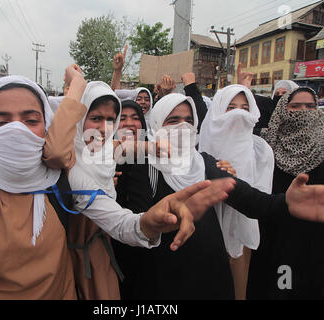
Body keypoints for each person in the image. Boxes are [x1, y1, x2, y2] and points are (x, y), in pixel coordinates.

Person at [0, 69, 235, 300]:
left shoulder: (64, 178)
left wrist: (148, 223)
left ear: (47, 127)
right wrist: (77, 85)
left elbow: (122, 223)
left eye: (30, 119)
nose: (17, 130)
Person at [113, 91, 324, 300]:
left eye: (189, 119)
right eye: (173, 120)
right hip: (161, 281)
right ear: (156, 124)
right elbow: (138, 225)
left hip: (211, 280)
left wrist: (285, 203)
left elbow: (251, 201)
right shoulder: (143, 166)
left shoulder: (204, 163)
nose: (183, 126)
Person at [48, 80, 236, 299]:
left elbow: (120, 147)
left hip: (105, 250)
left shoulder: (102, 151)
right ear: (79, 121)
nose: (103, 128)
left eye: (111, 120)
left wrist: (151, 146)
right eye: (96, 118)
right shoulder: (74, 166)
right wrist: (147, 223)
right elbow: (120, 222)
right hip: (80, 255)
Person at [248, 86, 324, 300]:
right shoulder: (263, 145)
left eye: (310, 106)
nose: (303, 111)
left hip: (312, 246)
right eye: (295, 106)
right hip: (269, 241)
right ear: (282, 109)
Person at [198, 84, 274, 300]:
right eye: (231, 108)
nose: (239, 114)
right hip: (205, 232)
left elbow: (260, 198)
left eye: (244, 108)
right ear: (218, 111)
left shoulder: (260, 150)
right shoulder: (200, 147)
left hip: (240, 234)